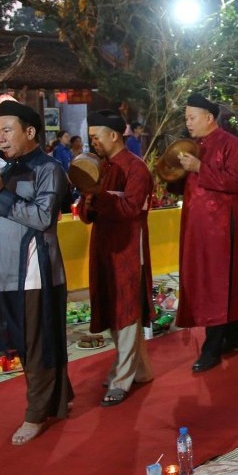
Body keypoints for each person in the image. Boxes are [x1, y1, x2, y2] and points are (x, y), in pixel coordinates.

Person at [0, 100, 72, 445]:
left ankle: (35, 413)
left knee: (37, 343)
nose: (0, 136)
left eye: (7, 130)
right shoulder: (4, 169)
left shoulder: (49, 169)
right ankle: (56, 400)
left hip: (34, 271)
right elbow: (6, 214)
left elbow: (44, 218)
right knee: (25, 340)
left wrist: (0, 198)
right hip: (3, 267)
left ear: (30, 132)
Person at [170, 93, 238, 372]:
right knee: (200, 278)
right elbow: (186, 184)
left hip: (218, 225)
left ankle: (212, 348)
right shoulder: (192, 145)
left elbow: (235, 182)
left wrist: (200, 167)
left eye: (192, 117)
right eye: (186, 117)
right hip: (194, 222)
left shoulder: (230, 143)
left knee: (215, 281)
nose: (188, 122)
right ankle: (236, 333)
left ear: (208, 118)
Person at [80, 109, 154, 404]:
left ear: (113, 136)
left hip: (127, 246)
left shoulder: (137, 169)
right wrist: (88, 200)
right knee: (113, 306)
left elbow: (132, 209)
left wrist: (100, 197)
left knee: (126, 308)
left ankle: (122, 379)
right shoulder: (100, 166)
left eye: (96, 137)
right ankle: (141, 370)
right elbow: (86, 213)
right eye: (91, 138)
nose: (93, 143)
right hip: (103, 245)